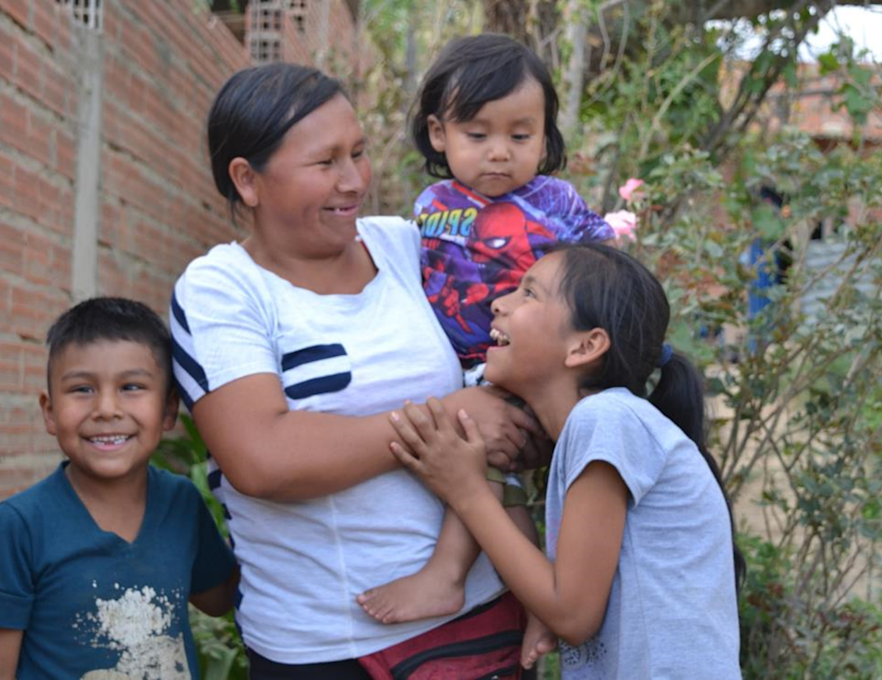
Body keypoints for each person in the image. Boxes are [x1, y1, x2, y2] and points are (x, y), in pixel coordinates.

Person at [171, 62, 542, 678]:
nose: (354, 181)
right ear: (248, 180)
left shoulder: (412, 247)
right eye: (326, 163)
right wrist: (450, 417)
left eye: (360, 153)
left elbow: (514, 345)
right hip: (329, 646)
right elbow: (262, 458)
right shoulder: (222, 289)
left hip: (484, 625)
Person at [358, 32, 614, 638]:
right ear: (439, 134)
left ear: (545, 136)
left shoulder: (556, 200)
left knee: (476, 462)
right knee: (502, 479)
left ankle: (448, 574)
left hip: (524, 363)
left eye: (520, 136)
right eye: (478, 135)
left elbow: (604, 260)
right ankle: (535, 602)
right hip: (459, 363)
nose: (499, 152)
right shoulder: (431, 204)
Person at [389, 243, 745, 678]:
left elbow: (573, 616)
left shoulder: (605, 419)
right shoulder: (599, 428)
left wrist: (465, 490)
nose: (498, 303)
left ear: (585, 346)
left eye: (529, 294)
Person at [0, 297, 238, 680]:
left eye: (131, 386)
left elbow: (218, 598)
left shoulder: (181, 503)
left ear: (167, 411)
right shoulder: (18, 527)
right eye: (82, 389)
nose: (107, 408)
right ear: (49, 411)